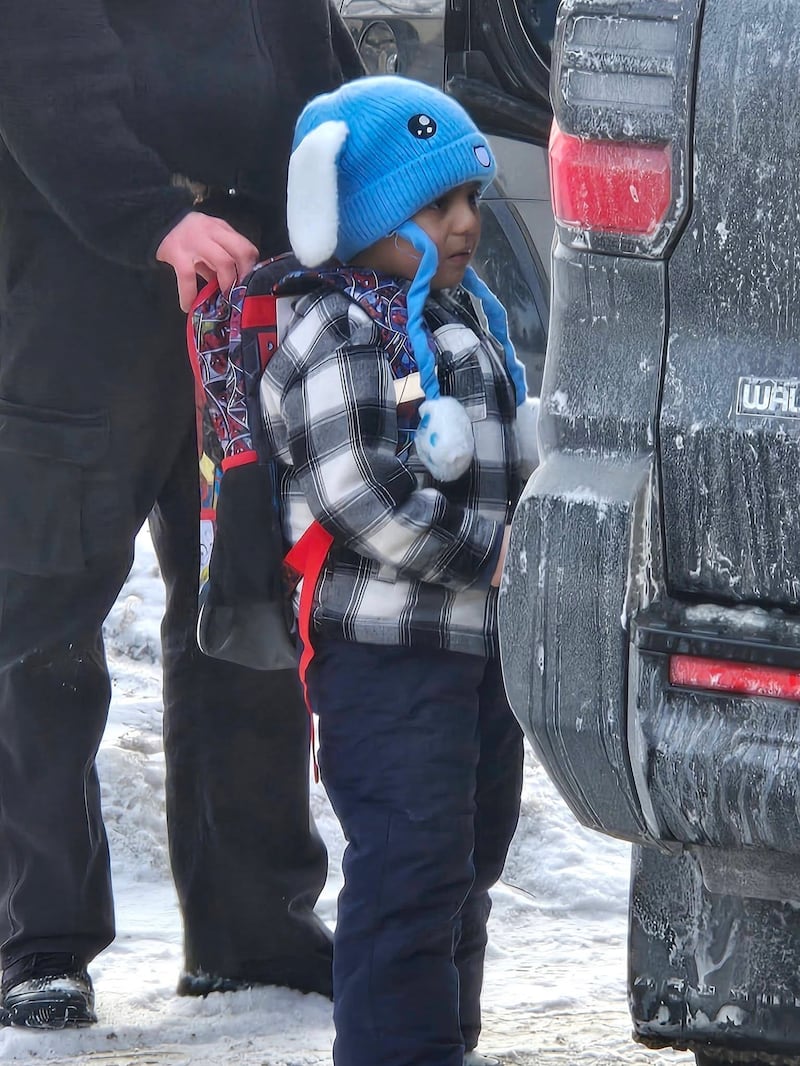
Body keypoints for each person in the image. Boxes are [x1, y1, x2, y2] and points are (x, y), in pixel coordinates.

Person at [0, 0, 363, 1029]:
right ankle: (41, 940)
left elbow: (325, 84)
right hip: (82, 296)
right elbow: (33, 62)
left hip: (251, 295)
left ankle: (252, 928)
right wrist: (149, 215)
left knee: (247, 596)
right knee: (45, 612)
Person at [259, 76, 540, 1066]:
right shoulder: (336, 328)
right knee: (408, 872)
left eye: (468, 200)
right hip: (383, 658)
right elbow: (360, 497)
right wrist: (489, 554)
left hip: (476, 657)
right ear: (358, 210)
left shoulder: (471, 320)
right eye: (434, 205)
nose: (464, 223)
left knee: (466, 868)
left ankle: (440, 1047)